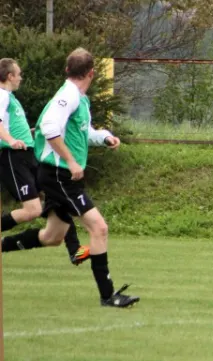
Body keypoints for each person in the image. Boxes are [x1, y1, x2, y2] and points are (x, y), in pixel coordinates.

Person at [1, 48, 139, 307]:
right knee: (99, 228)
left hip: (57, 174)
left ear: (67, 70)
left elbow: (82, 132)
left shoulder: (77, 97)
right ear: (91, 73)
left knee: (52, 237)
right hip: (60, 175)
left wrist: (104, 137)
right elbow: (50, 127)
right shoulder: (69, 96)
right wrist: (72, 161)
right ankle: (108, 296)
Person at [0, 58, 89, 265]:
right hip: (13, 157)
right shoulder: (2, 95)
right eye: (18, 74)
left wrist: (29, 134)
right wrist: (12, 140)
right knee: (33, 210)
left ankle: (74, 249)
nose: (21, 77)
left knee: (56, 195)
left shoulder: (10, 97)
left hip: (26, 154)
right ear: (10, 76)